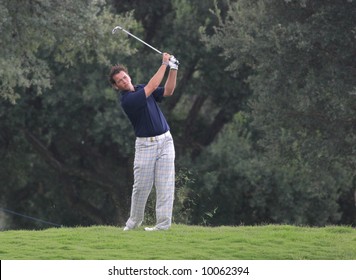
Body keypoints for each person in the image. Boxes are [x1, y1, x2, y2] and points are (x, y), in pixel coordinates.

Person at [109, 53, 178, 231]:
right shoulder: (127, 100)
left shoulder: (140, 88)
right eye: (120, 81)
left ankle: (163, 225)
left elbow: (168, 91)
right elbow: (153, 85)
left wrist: (173, 69)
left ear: (128, 76)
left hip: (165, 141)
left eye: (124, 77)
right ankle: (133, 222)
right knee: (141, 187)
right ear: (116, 87)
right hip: (145, 146)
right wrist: (164, 64)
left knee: (165, 184)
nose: (124, 81)